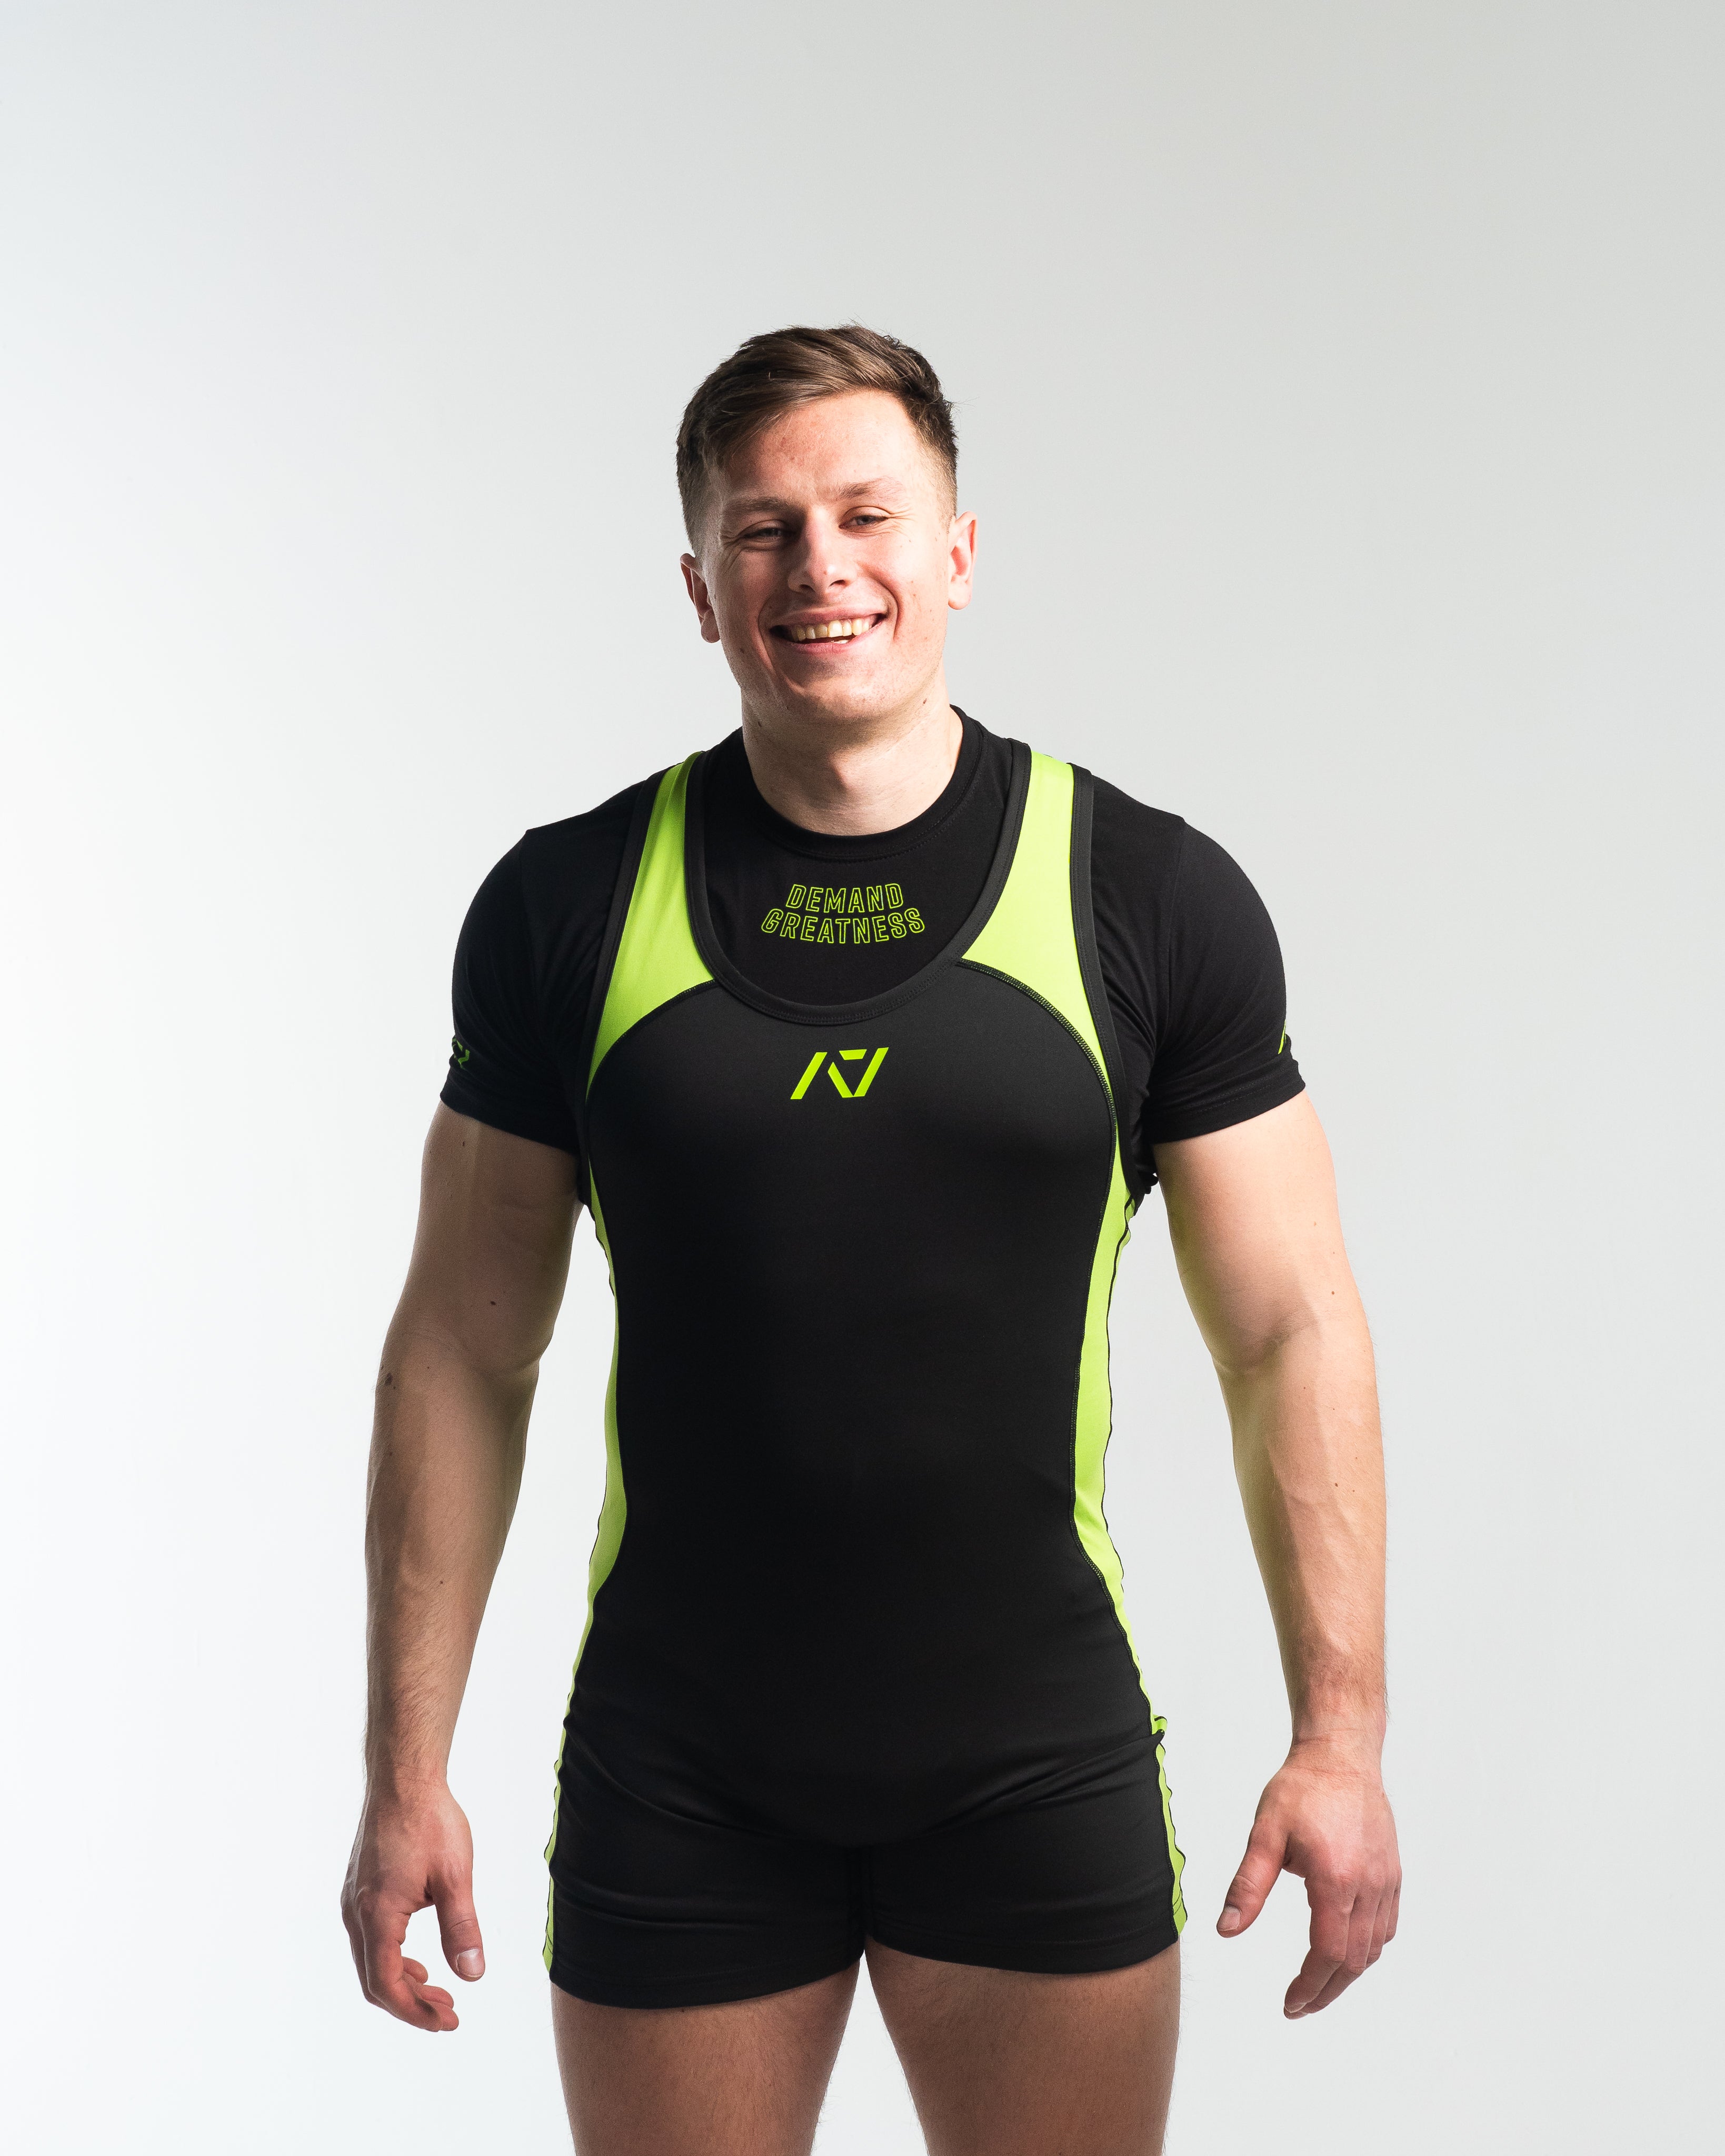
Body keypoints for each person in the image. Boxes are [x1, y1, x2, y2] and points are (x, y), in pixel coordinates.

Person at [341, 325, 1400, 2155]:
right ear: (701, 588)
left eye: (866, 516)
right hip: (680, 1775)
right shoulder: (569, 905)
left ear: (957, 552)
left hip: (1033, 1765)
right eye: (763, 530)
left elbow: (1291, 1328)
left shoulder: (1146, 895)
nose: (819, 568)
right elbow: (461, 1347)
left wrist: (1343, 1738)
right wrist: (402, 1769)